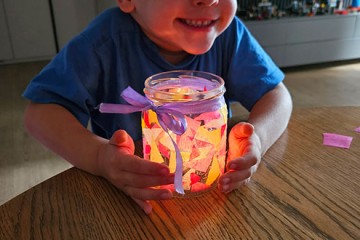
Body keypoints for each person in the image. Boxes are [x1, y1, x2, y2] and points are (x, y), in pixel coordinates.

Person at [23, 0, 292, 214]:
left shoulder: (229, 34)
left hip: (215, 192)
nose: (209, 0)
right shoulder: (103, 42)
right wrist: (100, 158)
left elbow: (277, 95)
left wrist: (257, 137)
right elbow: (40, 114)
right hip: (128, 198)